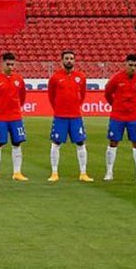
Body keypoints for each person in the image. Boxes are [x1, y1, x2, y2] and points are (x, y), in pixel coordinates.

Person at [104, 54, 136, 182]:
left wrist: (134, 105)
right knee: (113, 142)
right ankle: (109, 172)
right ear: (126, 64)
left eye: (135, 65)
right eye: (130, 65)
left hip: (134, 117)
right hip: (117, 116)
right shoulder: (117, 78)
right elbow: (107, 93)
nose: (133, 68)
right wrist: (115, 105)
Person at [47, 51, 93, 182]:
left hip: (75, 116)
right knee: (56, 143)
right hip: (60, 116)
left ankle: (83, 173)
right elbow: (51, 96)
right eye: (66, 58)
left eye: (71, 58)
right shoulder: (55, 77)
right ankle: (54, 173)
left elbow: (82, 95)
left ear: (74, 61)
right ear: (61, 60)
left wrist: (76, 106)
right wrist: (57, 109)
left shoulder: (81, 77)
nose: (69, 60)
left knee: (80, 142)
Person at [0, 52, 28, 181]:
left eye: (12, 64)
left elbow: (22, 98)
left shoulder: (19, 80)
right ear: (2, 64)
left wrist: (15, 109)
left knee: (17, 143)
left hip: (15, 117)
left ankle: (17, 172)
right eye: (8, 64)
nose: (10, 66)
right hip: (1, 118)